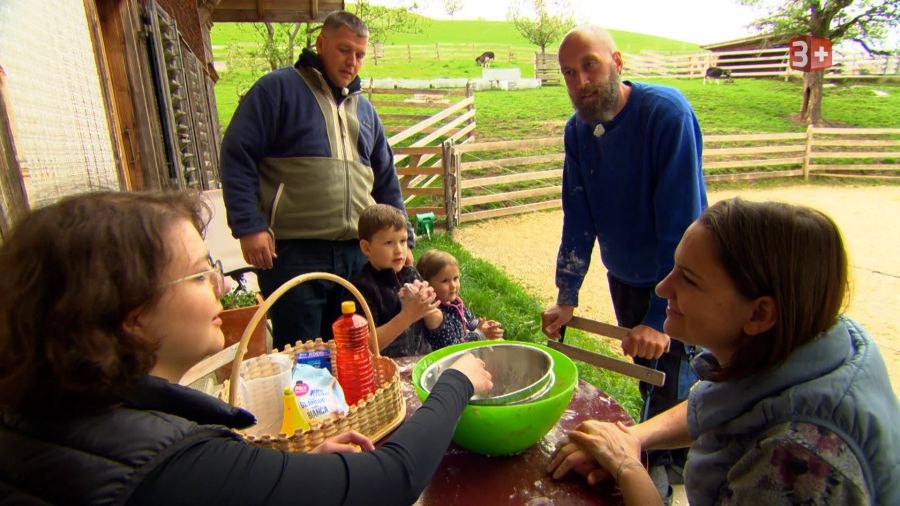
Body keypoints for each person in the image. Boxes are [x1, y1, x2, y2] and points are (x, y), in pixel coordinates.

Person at [0, 191, 493, 504]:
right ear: (132, 314)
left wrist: (282, 475)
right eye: (199, 272)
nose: (220, 284)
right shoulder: (171, 463)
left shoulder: (37, 417)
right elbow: (393, 478)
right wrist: (457, 381)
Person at [548, 198, 900, 506]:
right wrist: (632, 438)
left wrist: (627, 468)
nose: (663, 287)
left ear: (759, 313)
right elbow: (724, 402)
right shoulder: (805, 337)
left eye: (689, 279)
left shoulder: (798, 459)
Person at [540, 25, 708, 495]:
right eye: (569, 73)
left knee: (677, 373)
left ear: (618, 60)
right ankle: (654, 455)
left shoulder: (665, 114)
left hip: (681, 278)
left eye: (589, 65)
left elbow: (682, 223)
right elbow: (578, 216)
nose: (580, 81)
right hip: (626, 275)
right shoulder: (578, 131)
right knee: (646, 371)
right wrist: (566, 297)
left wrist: (659, 317)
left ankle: (667, 471)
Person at [220, 11, 413, 349]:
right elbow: (238, 155)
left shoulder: (364, 111)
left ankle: (358, 405)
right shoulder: (276, 89)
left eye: (360, 54)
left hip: (358, 253)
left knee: (355, 350)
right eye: (344, 50)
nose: (352, 61)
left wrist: (405, 239)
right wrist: (249, 225)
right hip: (294, 254)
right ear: (321, 43)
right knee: (301, 353)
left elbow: (385, 180)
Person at [350, 204, 437, 357]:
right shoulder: (361, 288)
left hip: (422, 360)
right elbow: (364, 345)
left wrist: (426, 305)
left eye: (403, 241)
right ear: (366, 248)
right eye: (389, 243)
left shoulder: (411, 273)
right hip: (385, 372)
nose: (399, 250)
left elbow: (436, 324)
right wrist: (408, 315)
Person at [416, 249, 504, 350]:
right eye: (445, 281)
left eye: (455, 278)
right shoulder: (435, 314)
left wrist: (482, 325)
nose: (453, 285)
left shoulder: (454, 301)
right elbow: (453, 348)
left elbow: (468, 320)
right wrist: (480, 334)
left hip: (467, 351)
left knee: (499, 343)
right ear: (427, 284)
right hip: (451, 361)